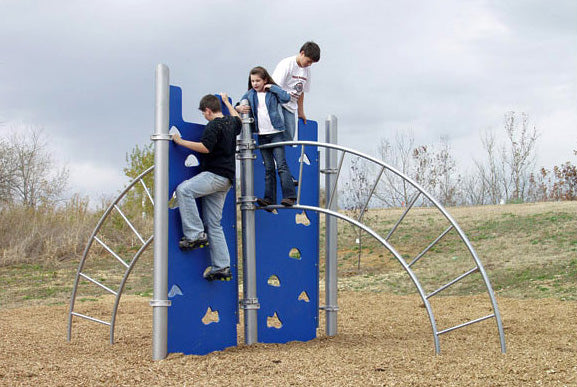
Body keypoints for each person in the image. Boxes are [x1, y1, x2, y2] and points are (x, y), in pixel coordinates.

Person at [172, 93, 241, 281]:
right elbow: (238, 118)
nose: (204, 116)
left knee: (184, 190)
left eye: (204, 113)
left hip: (214, 175)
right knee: (214, 223)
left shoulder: (214, 125)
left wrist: (180, 142)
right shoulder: (231, 123)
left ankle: (194, 234)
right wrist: (227, 102)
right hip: (227, 180)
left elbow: (206, 147)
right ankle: (222, 266)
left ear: (208, 110)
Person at [236, 66, 297, 208]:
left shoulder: (272, 92)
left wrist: (273, 87)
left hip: (276, 133)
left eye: (258, 80)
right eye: (252, 81)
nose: (255, 84)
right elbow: (238, 105)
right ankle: (269, 199)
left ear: (265, 80)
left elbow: (286, 98)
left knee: (281, 165)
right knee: (269, 167)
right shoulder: (250, 95)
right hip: (262, 135)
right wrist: (238, 108)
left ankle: (289, 196)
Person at [272, 41, 321, 141]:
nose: (309, 64)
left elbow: (301, 92)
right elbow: (274, 88)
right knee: (279, 127)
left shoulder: (306, 71)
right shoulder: (287, 64)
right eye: (308, 61)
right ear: (302, 53)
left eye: (312, 63)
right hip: (278, 102)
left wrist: (301, 111)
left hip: (291, 106)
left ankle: (286, 155)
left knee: (289, 135)